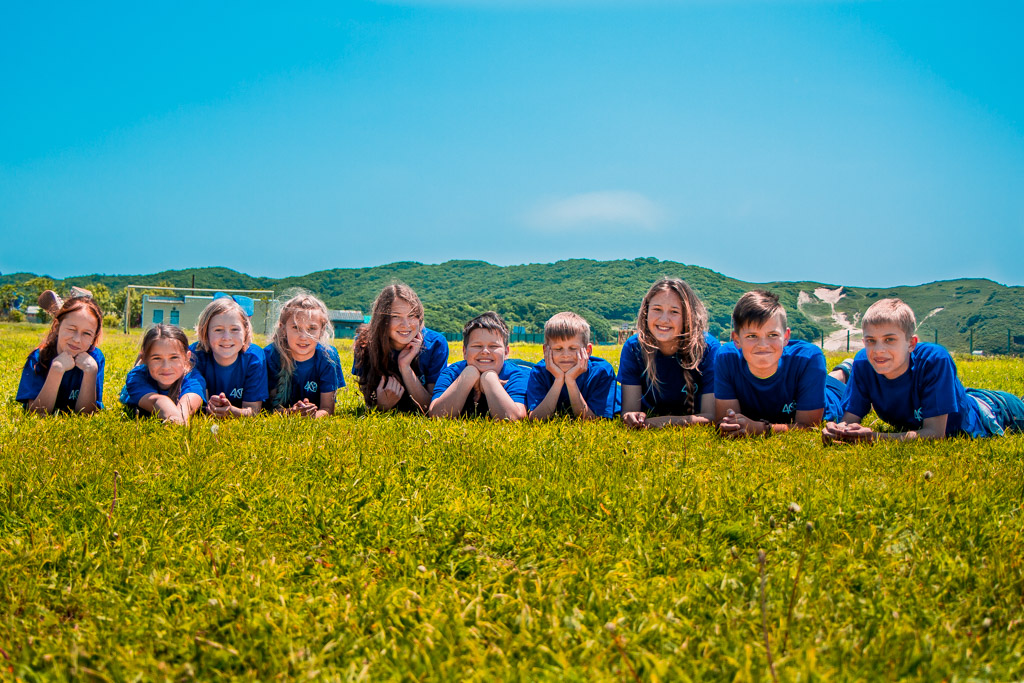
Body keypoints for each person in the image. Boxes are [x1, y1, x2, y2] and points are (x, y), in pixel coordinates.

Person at [823, 298, 1024, 443]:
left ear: (911, 343)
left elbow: (935, 433)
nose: (878, 350)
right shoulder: (863, 363)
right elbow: (849, 419)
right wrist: (838, 430)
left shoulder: (935, 359)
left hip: (997, 411)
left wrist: (874, 437)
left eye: (889, 339)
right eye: (870, 340)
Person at [715, 290, 846, 437]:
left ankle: (844, 370)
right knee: (830, 377)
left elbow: (809, 426)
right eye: (752, 336)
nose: (763, 345)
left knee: (835, 380)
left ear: (786, 337)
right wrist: (731, 424)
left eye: (772, 335)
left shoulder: (808, 358)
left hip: (831, 394)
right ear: (736, 339)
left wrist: (760, 428)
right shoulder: (727, 357)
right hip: (804, 381)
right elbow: (727, 420)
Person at [618, 277, 719, 429]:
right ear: (646, 312)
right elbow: (629, 410)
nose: (664, 319)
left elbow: (711, 417)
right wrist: (631, 416)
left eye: (674, 312)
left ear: (688, 317)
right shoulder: (634, 347)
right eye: (657, 309)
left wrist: (660, 422)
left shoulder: (708, 348)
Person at [352, 283, 449, 413]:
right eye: (395, 316)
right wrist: (382, 406)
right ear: (381, 319)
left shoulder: (435, 343)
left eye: (412, 315)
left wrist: (405, 367)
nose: (405, 324)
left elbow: (430, 408)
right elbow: (369, 401)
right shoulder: (365, 343)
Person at [429, 311, 528, 420]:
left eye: (493, 346)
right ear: (464, 352)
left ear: (506, 352)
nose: (485, 351)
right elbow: (437, 415)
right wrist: (469, 375)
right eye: (477, 346)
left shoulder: (518, 375)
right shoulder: (452, 372)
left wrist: (489, 379)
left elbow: (514, 419)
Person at [17, 296, 105, 414]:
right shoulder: (38, 357)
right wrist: (56, 370)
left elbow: (86, 414)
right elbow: (37, 413)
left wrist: (91, 372)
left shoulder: (95, 358)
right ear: (57, 327)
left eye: (87, 333)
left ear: (94, 337)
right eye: (71, 329)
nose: (77, 339)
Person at [526, 312, 619, 420]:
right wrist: (559, 380)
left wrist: (570, 381)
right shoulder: (539, 372)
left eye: (573, 348)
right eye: (558, 349)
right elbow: (536, 418)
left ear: (588, 350)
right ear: (545, 350)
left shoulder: (602, 372)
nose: (566, 355)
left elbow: (594, 420)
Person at [264, 293, 341, 418]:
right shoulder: (270, 355)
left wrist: (312, 415)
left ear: (322, 330)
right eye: (296, 327)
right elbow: (267, 409)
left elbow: (328, 408)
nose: (303, 336)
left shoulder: (328, 357)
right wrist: (292, 413)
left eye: (312, 328)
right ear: (283, 329)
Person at [190, 296, 268, 418]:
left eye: (234, 329)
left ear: (245, 332)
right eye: (218, 330)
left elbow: (254, 410)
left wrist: (231, 411)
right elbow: (194, 403)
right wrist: (209, 408)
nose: (226, 337)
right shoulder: (195, 355)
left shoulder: (254, 358)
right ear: (205, 332)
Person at [120, 324, 207, 424]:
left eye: (174, 357)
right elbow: (157, 401)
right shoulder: (136, 378)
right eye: (157, 358)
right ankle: (139, 363)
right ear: (145, 359)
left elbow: (188, 403)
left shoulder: (193, 378)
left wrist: (180, 419)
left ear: (187, 357)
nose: (166, 367)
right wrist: (175, 418)